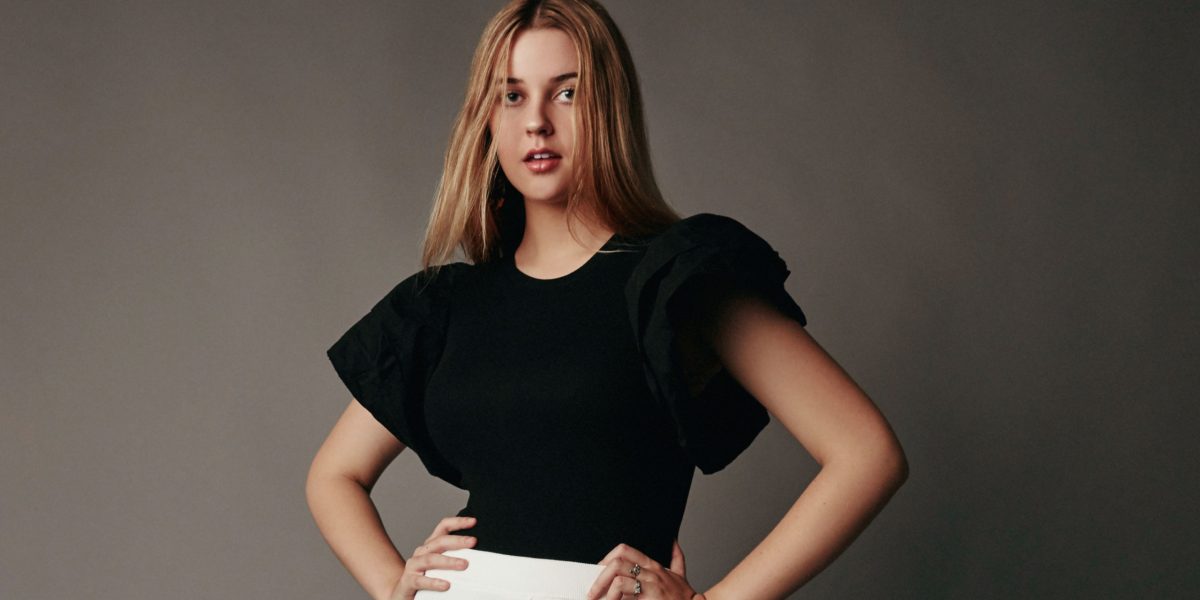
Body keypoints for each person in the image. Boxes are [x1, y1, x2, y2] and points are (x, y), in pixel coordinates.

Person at [305, 1, 908, 599]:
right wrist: (393, 585)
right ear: (486, 117)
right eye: (512, 95)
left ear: (610, 109)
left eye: (566, 93)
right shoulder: (443, 305)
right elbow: (333, 476)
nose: (536, 121)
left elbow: (866, 453)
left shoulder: (676, 282)